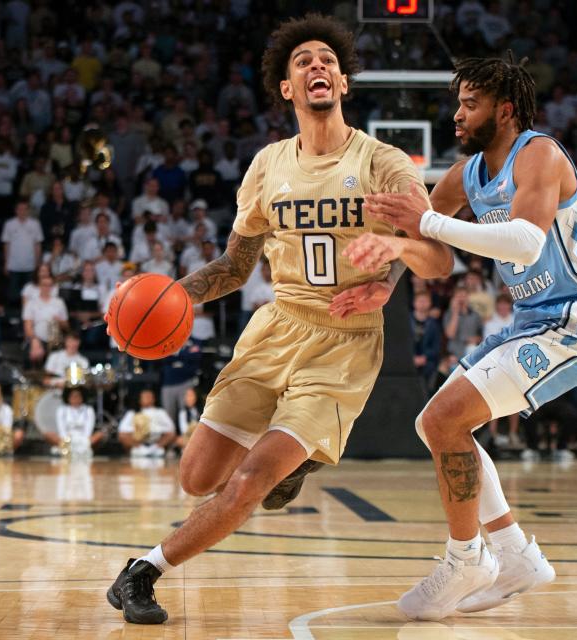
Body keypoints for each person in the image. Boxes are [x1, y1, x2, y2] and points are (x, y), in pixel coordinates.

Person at [105, 14, 452, 625]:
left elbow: (439, 258)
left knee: (251, 480)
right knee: (197, 477)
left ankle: (143, 571)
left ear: (343, 82)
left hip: (344, 343)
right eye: (303, 62)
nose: (316, 66)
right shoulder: (268, 166)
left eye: (327, 60)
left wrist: (395, 257)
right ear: (287, 89)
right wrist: (164, 299)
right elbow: (235, 268)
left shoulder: (385, 163)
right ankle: (302, 462)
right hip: (277, 326)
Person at [353, 55, 577, 620]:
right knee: (436, 424)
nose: (457, 115)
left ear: (504, 109)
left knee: (446, 420)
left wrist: (424, 223)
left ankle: (467, 555)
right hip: (531, 322)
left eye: (470, 104)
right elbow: (419, 237)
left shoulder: (539, 154)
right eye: (458, 103)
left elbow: (522, 242)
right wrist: (388, 277)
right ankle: (513, 554)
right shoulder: (466, 173)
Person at [1, 199, 44, 303]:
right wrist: (6, 263)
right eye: (20, 209)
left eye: (25, 209)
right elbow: (6, 244)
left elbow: (37, 244)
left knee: (30, 295)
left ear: (28, 210)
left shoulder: (35, 224)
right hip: (13, 266)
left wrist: (37, 263)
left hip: (30, 266)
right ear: (16, 210)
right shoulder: (9, 224)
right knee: (12, 296)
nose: (22, 211)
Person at [118, 390, 177, 458]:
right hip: (138, 442)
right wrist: (138, 428)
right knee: (122, 436)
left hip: (156, 441)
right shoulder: (133, 412)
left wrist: (152, 429)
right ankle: (141, 449)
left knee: (172, 434)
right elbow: (122, 429)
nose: (147, 399)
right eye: (145, 397)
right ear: (140, 400)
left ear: (154, 399)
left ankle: (155, 449)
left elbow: (171, 427)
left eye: (149, 397)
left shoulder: (160, 412)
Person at [47, 387, 103, 456]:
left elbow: (88, 430)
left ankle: (76, 450)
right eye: (73, 396)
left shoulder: (88, 410)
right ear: (68, 397)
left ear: (82, 397)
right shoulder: (62, 410)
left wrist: (84, 441)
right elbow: (61, 429)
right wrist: (66, 440)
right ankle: (68, 448)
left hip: (83, 439)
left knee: (99, 434)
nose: (75, 398)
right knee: (48, 434)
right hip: (67, 439)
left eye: (78, 396)